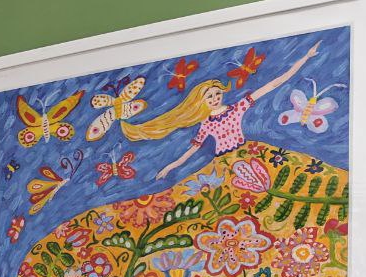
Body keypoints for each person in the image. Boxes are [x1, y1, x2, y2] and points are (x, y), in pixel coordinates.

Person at [121, 42, 321, 179]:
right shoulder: (206, 124)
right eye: (209, 96)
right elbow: (191, 151)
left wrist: (305, 57)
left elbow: (273, 84)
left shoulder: (237, 108)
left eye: (217, 93)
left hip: (245, 153)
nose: (215, 98)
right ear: (201, 101)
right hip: (224, 163)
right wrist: (170, 166)